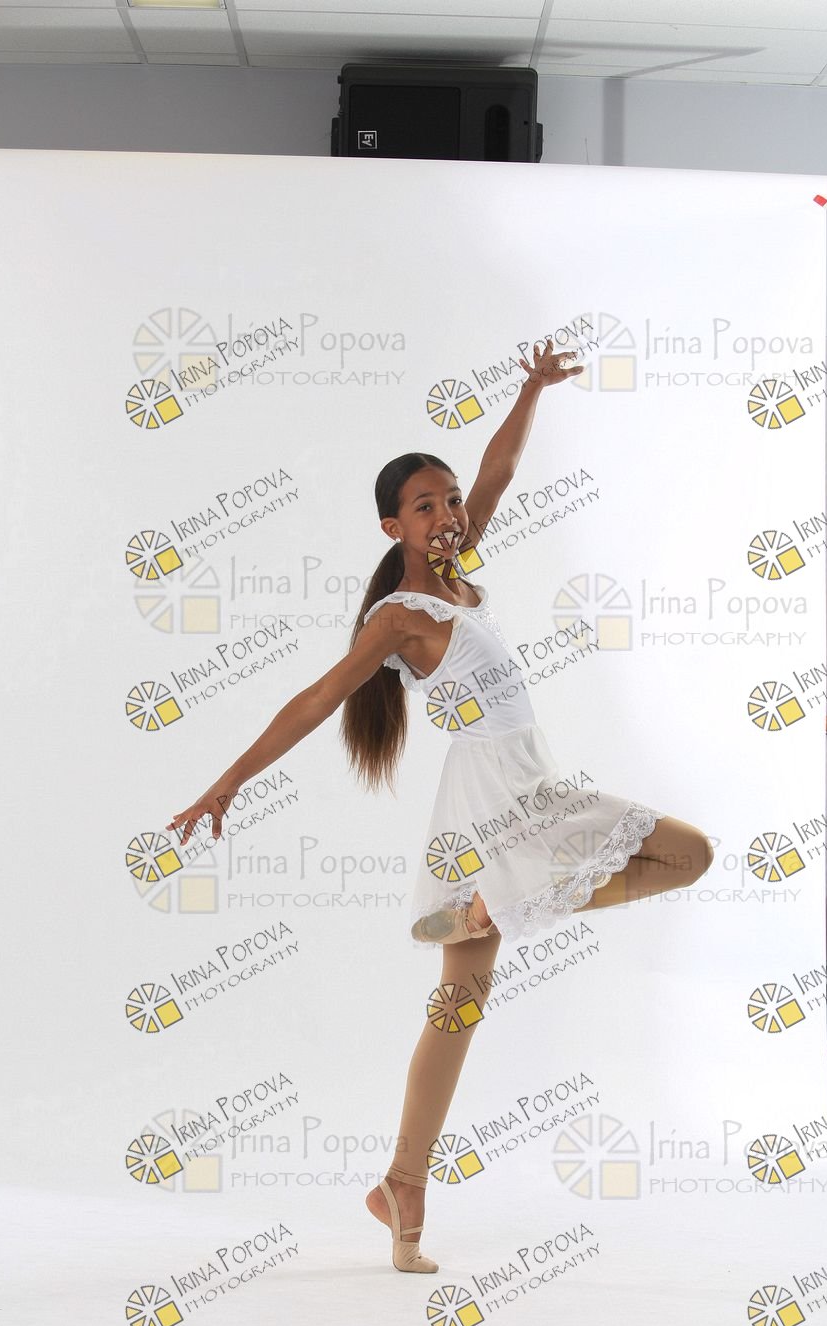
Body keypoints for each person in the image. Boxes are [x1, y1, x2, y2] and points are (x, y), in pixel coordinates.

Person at [167, 336, 714, 1276]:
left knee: (669, 866)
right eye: (426, 506)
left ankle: (400, 1182)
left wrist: (531, 388)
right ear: (394, 528)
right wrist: (228, 782)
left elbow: (499, 471)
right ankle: (409, 1179)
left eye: (451, 500)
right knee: (473, 994)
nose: (449, 513)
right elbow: (317, 698)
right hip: (494, 798)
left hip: (531, 783)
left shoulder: (463, 576)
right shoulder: (403, 617)